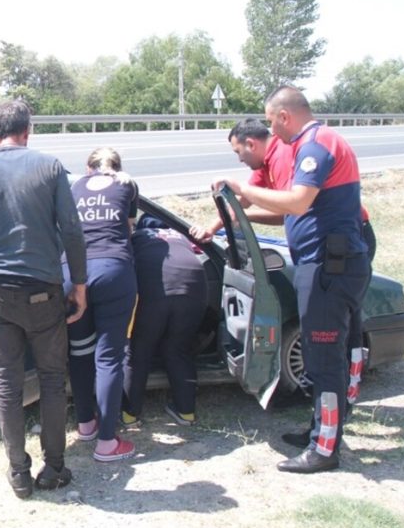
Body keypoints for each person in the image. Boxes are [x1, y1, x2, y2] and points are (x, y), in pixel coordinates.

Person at [214, 86, 371, 474]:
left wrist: (243, 191)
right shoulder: (312, 142)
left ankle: (324, 449)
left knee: (323, 358)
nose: (271, 130)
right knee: (328, 355)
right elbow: (297, 210)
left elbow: (297, 202)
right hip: (328, 262)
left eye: (271, 122)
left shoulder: (315, 144)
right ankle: (323, 431)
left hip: (328, 266)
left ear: (284, 116)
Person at [193, 119, 376, 404]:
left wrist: (239, 192)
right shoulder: (264, 164)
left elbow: (292, 206)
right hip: (322, 246)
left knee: (341, 328)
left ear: (251, 144)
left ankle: (343, 391)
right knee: (328, 327)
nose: (239, 159)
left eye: (238, 152)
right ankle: (324, 395)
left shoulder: (281, 156)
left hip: (342, 245)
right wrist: (213, 228)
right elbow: (245, 203)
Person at [0, 99, 87, 499]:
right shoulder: (50, 167)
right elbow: (71, 230)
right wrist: (79, 285)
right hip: (44, 291)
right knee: (51, 379)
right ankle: (54, 468)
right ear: (28, 131)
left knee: (7, 384)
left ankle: (18, 473)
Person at [64, 147, 139, 462]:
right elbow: (130, 228)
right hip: (112, 271)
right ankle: (107, 443)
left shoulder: (75, 186)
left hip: (73, 274)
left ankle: (85, 425)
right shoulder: (127, 184)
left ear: (87, 167)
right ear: (117, 166)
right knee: (108, 358)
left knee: (80, 352)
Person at [122, 216, 209, 427]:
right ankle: (186, 412)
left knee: (138, 352)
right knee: (179, 349)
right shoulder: (181, 237)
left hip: (154, 290)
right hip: (194, 287)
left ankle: (130, 415)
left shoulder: (136, 238)